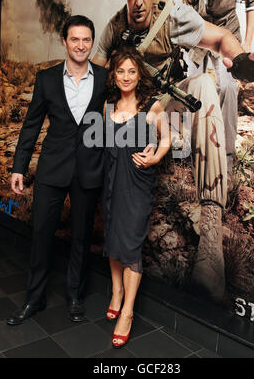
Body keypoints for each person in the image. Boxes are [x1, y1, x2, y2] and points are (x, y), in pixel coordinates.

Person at [92, 0, 254, 301]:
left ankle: (210, 235)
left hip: (171, 107)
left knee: (206, 86)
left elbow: (221, 37)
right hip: (136, 116)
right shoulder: (115, 26)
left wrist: (242, 63)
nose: (139, 0)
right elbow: (95, 78)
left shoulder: (171, 14)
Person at [7, 15, 108, 326]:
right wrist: (19, 167)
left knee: (80, 238)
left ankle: (75, 296)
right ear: (64, 41)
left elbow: (121, 118)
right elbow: (31, 125)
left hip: (89, 170)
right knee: (41, 235)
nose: (80, 45)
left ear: (92, 42)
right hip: (52, 168)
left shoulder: (105, 79)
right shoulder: (46, 79)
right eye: (74, 39)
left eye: (86, 40)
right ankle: (33, 300)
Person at [102, 46, 171, 348]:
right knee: (113, 238)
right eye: (121, 71)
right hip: (111, 181)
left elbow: (167, 139)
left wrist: (155, 156)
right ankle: (116, 291)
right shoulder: (108, 106)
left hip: (138, 183)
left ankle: (127, 311)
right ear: (114, 75)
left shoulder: (152, 106)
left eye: (132, 71)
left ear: (139, 73)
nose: (126, 76)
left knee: (130, 244)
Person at [181, 0, 254, 171]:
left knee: (226, 87)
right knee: (193, 90)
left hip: (227, 41)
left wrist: (245, 45)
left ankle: (226, 156)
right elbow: (188, 16)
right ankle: (192, 149)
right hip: (200, 43)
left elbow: (252, 1)